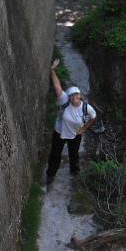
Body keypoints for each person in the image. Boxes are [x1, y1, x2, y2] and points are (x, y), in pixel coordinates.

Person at [46, 59, 97, 190]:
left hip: (75, 134)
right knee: (55, 154)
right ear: (68, 97)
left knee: (74, 155)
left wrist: (83, 129)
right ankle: (50, 174)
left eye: (76, 95)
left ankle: (75, 173)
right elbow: (57, 86)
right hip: (59, 133)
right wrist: (52, 70)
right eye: (72, 96)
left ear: (80, 96)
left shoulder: (86, 108)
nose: (74, 97)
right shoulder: (64, 101)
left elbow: (93, 118)